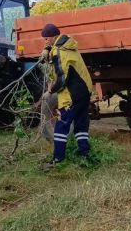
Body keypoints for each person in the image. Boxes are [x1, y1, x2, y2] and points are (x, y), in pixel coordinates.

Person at [40, 23, 94, 169]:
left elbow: (62, 78)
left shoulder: (59, 52)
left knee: (61, 125)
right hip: (84, 91)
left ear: (53, 37)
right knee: (81, 125)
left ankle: (58, 159)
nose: (45, 42)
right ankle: (84, 155)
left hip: (72, 94)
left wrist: (50, 91)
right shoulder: (68, 46)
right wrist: (47, 50)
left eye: (46, 39)